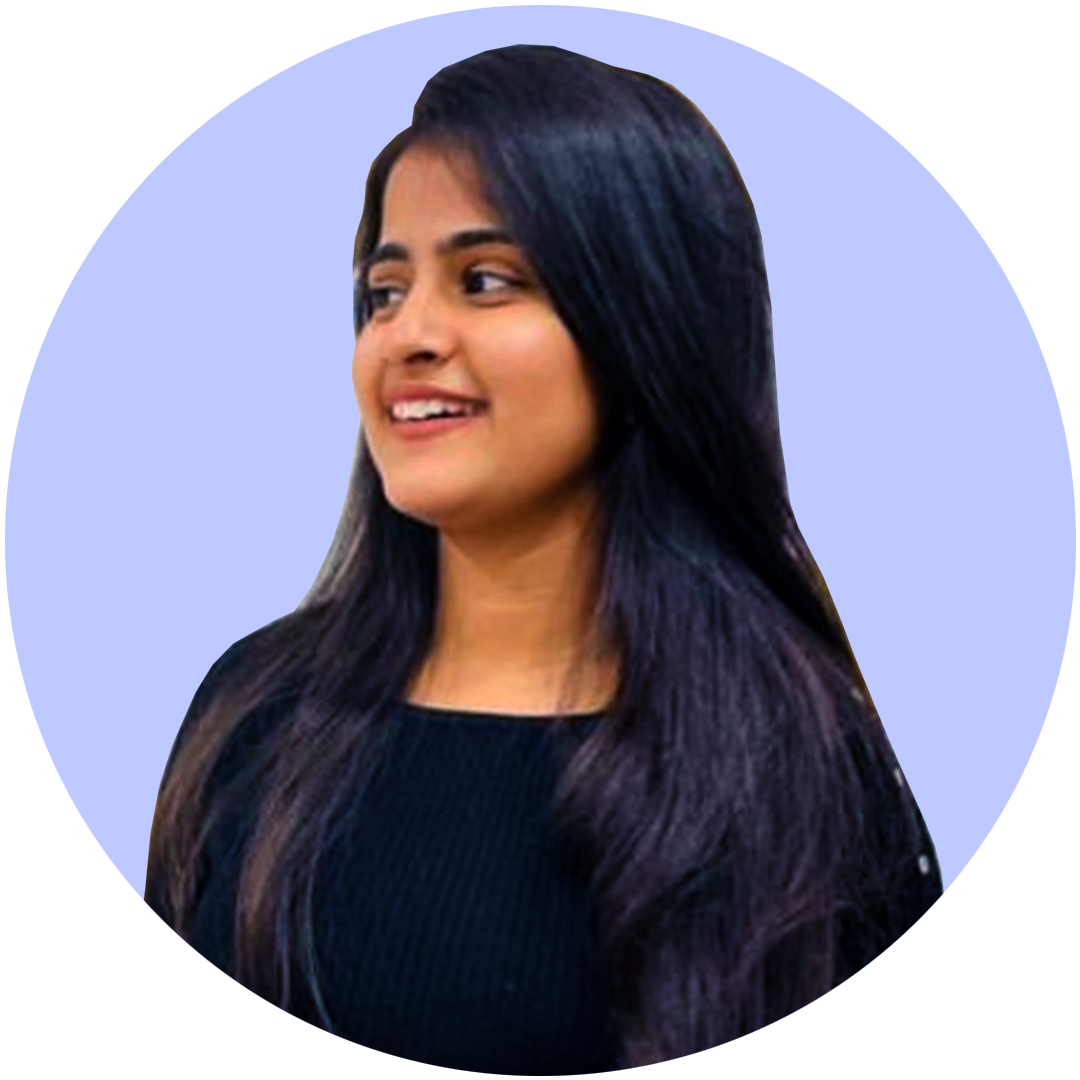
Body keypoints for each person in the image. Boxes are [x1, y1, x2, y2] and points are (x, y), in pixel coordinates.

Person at [90, 44, 954, 1075]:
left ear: (645, 325)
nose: (408, 336)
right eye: (384, 292)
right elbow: (157, 1042)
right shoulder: (257, 710)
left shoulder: (806, 770)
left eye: (486, 281)